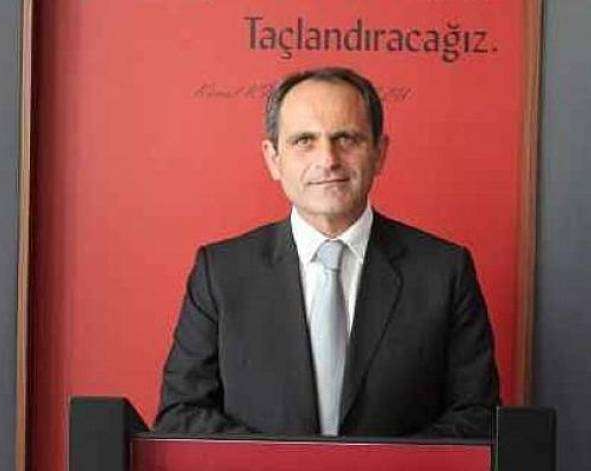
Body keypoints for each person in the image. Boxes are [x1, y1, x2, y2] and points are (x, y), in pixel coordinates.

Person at [154, 66, 499, 438]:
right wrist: (281, 464)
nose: (328, 159)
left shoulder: (444, 272)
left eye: (346, 138)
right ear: (273, 158)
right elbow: (182, 414)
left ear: (380, 153)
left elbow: (476, 417)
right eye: (304, 140)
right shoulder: (221, 273)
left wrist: (379, 466)